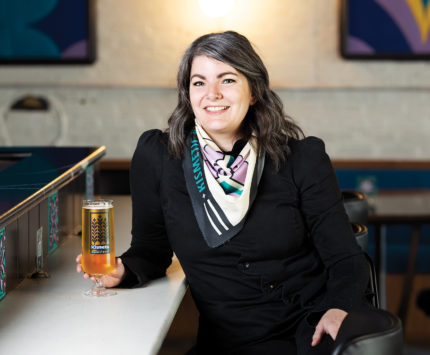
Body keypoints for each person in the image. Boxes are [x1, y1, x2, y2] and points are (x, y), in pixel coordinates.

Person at [76, 31, 370, 354]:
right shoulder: (159, 158)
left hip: (305, 333)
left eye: (227, 80)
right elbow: (151, 251)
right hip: (225, 342)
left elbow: (346, 260)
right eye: (199, 82)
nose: (212, 94)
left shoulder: (301, 159)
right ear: (188, 94)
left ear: (254, 92)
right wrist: (122, 271)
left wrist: (338, 308)